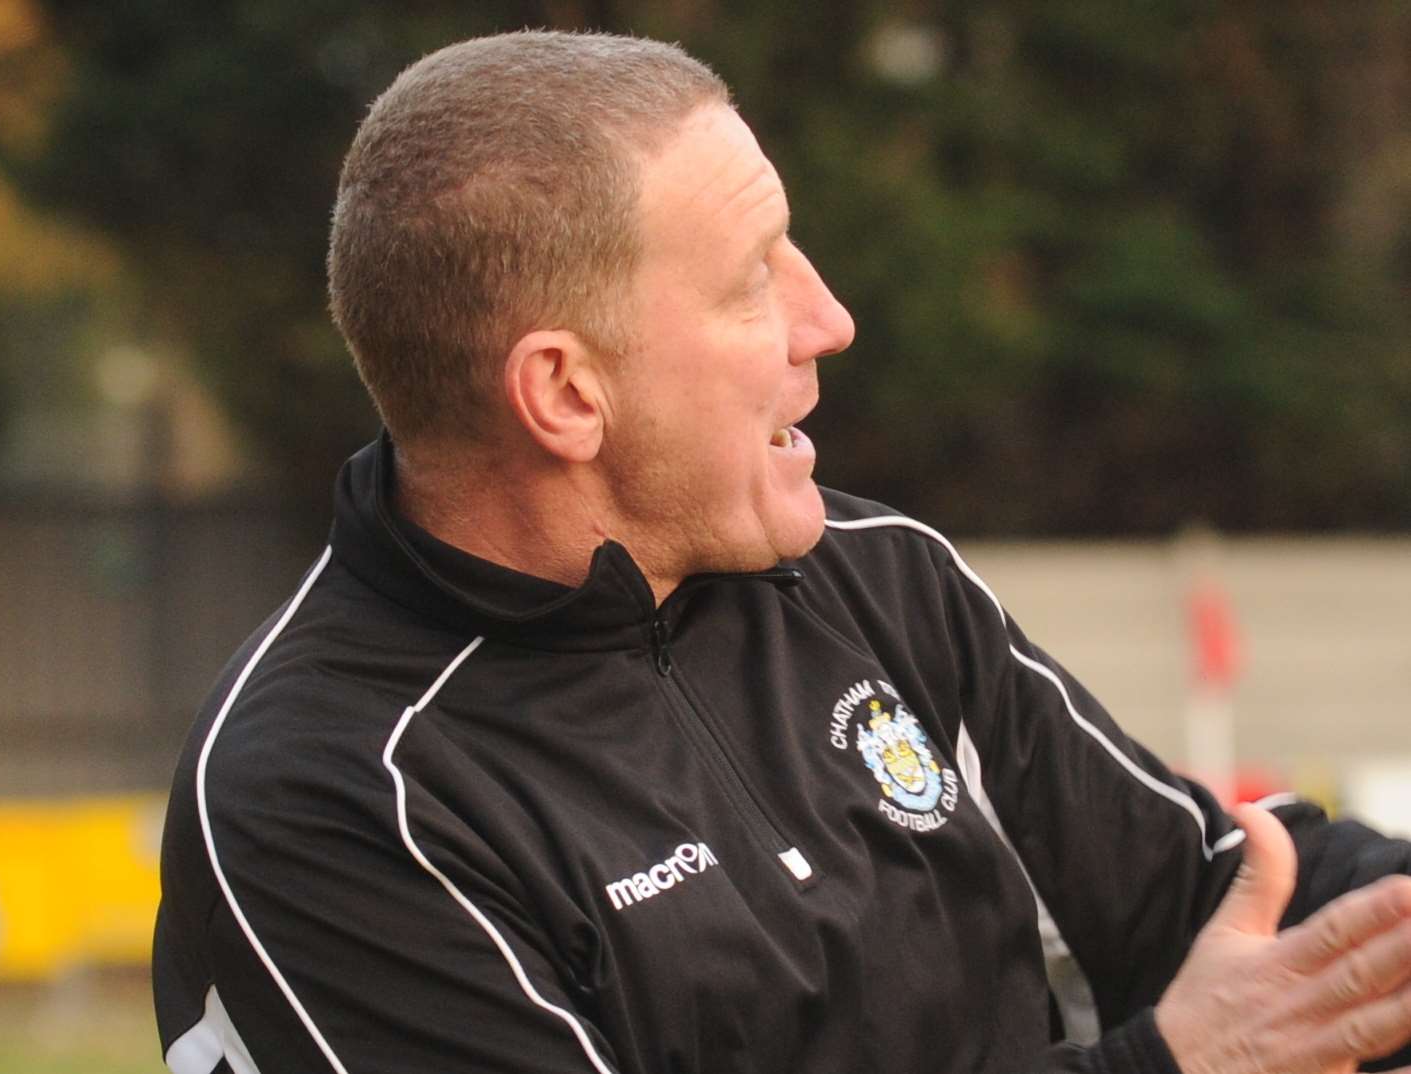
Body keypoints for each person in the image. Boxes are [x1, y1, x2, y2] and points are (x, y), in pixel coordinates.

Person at [151, 30, 1411, 1074]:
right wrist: (1170, 1067)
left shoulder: (870, 574)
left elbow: (1203, 892)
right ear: (567, 395)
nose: (830, 319)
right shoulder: (331, 796)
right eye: (754, 278)